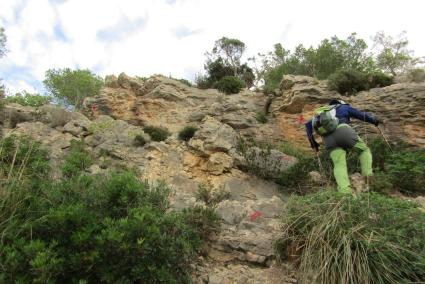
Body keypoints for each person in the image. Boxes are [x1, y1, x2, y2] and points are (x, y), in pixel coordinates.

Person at [305, 99, 382, 193]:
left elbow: (308, 125)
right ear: (341, 103)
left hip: (327, 139)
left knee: (338, 164)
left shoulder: (322, 112)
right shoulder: (344, 107)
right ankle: (368, 178)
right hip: (343, 131)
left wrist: (313, 144)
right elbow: (361, 115)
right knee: (364, 150)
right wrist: (374, 121)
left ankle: (345, 192)